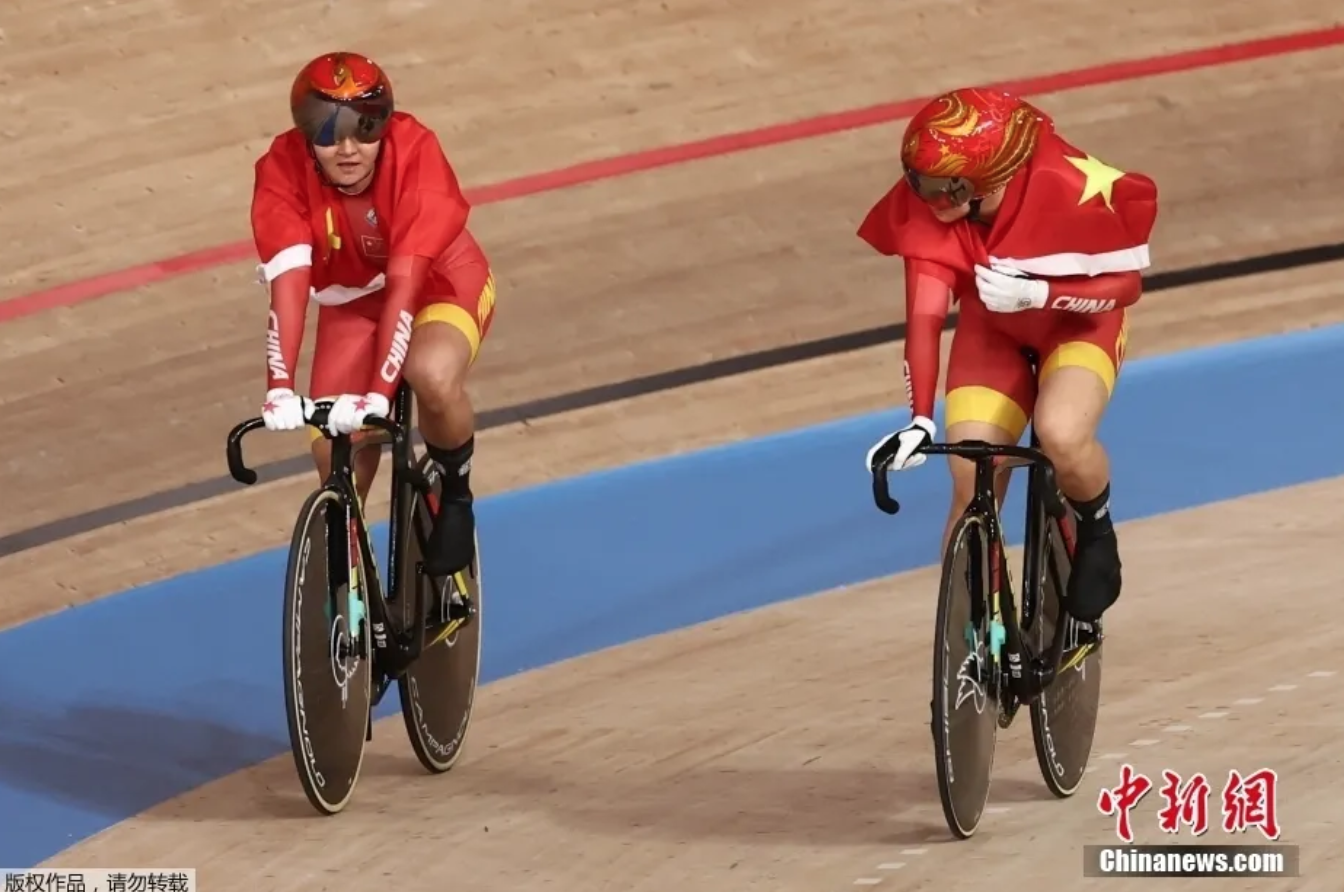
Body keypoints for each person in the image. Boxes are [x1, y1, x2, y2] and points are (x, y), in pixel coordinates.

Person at [858, 87, 1158, 623]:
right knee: (971, 474)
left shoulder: (1067, 188)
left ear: (993, 180)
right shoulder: (930, 212)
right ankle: (974, 641)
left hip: (1077, 325)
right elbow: (924, 320)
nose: (933, 203)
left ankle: (1097, 530)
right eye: (920, 186)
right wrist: (921, 419)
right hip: (991, 334)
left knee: (1062, 434)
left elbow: (1125, 287)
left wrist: (1041, 295)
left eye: (947, 190)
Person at [250, 51, 497, 579]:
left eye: (365, 128)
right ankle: (354, 602)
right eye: (327, 130)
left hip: (438, 284)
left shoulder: (416, 155)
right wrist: (278, 387)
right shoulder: (282, 170)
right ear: (304, 134)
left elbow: (406, 289)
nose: (347, 148)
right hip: (353, 303)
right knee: (335, 463)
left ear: (384, 124)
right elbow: (288, 290)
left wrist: (377, 397)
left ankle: (455, 493)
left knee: (427, 373)